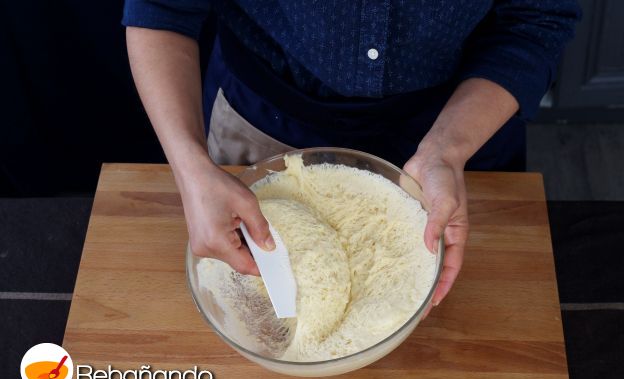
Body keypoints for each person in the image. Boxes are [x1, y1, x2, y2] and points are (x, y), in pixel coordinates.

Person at [122, 1, 580, 308]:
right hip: (265, 120)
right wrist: (190, 168)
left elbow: (537, 17)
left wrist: (448, 148)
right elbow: (161, 8)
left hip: (460, 131)